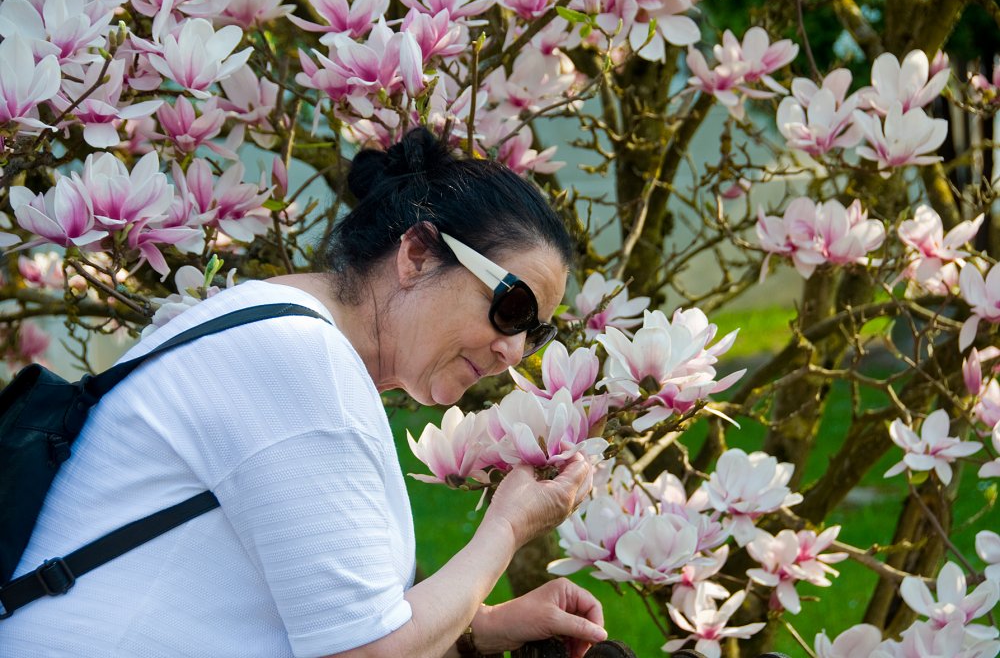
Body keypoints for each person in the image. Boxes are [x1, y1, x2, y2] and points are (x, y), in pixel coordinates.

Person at [0, 128, 606, 658]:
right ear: (417, 255)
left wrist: (481, 627)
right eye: (512, 306)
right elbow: (366, 654)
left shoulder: (281, 329)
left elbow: (343, 624)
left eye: (537, 330)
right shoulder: (300, 359)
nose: (514, 349)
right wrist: (505, 528)